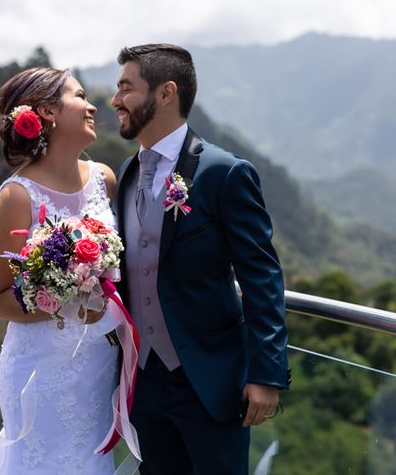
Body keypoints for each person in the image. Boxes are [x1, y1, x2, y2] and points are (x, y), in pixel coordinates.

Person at [111, 43, 290, 474]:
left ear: (166, 93)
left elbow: (261, 276)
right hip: (143, 379)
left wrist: (267, 374)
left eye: (126, 88)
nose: (115, 100)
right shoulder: (126, 172)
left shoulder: (224, 173)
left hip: (209, 381)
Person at [0, 67, 121, 474]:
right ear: (48, 112)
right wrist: (67, 303)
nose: (92, 104)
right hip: (38, 371)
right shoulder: (15, 197)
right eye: (80, 96)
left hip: (97, 365)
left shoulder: (104, 180)